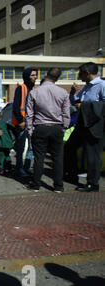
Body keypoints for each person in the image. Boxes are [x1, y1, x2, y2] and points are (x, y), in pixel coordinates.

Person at [24, 68, 70, 193]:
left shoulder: (35, 92)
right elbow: (66, 113)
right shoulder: (63, 92)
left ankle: (36, 184)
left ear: (46, 75)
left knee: (39, 157)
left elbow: (29, 113)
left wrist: (29, 128)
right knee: (57, 157)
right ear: (58, 78)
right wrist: (64, 127)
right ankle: (58, 186)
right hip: (57, 127)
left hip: (41, 126)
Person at [65, 62, 105, 192]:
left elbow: (102, 106)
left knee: (93, 154)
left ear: (87, 73)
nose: (79, 76)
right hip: (82, 124)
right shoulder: (87, 86)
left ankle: (93, 183)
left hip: (94, 126)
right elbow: (77, 101)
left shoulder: (102, 85)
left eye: (80, 73)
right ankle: (71, 175)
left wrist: (86, 106)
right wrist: (73, 93)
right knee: (69, 147)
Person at [12, 67, 37, 177]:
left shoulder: (34, 89)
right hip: (22, 123)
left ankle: (26, 167)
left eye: (35, 75)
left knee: (31, 147)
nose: (35, 77)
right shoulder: (21, 88)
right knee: (21, 148)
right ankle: (19, 168)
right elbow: (16, 106)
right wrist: (21, 120)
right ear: (27, 76)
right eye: (32, 75)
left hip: (32, 123)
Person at [0, 111, 14, 176]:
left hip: (0, 143)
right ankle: (9, 167)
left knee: (1, 156)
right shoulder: (4, 123)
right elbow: (10, 127)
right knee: (7, 155)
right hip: (8, 142)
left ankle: (2, 169)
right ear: (0, 117)